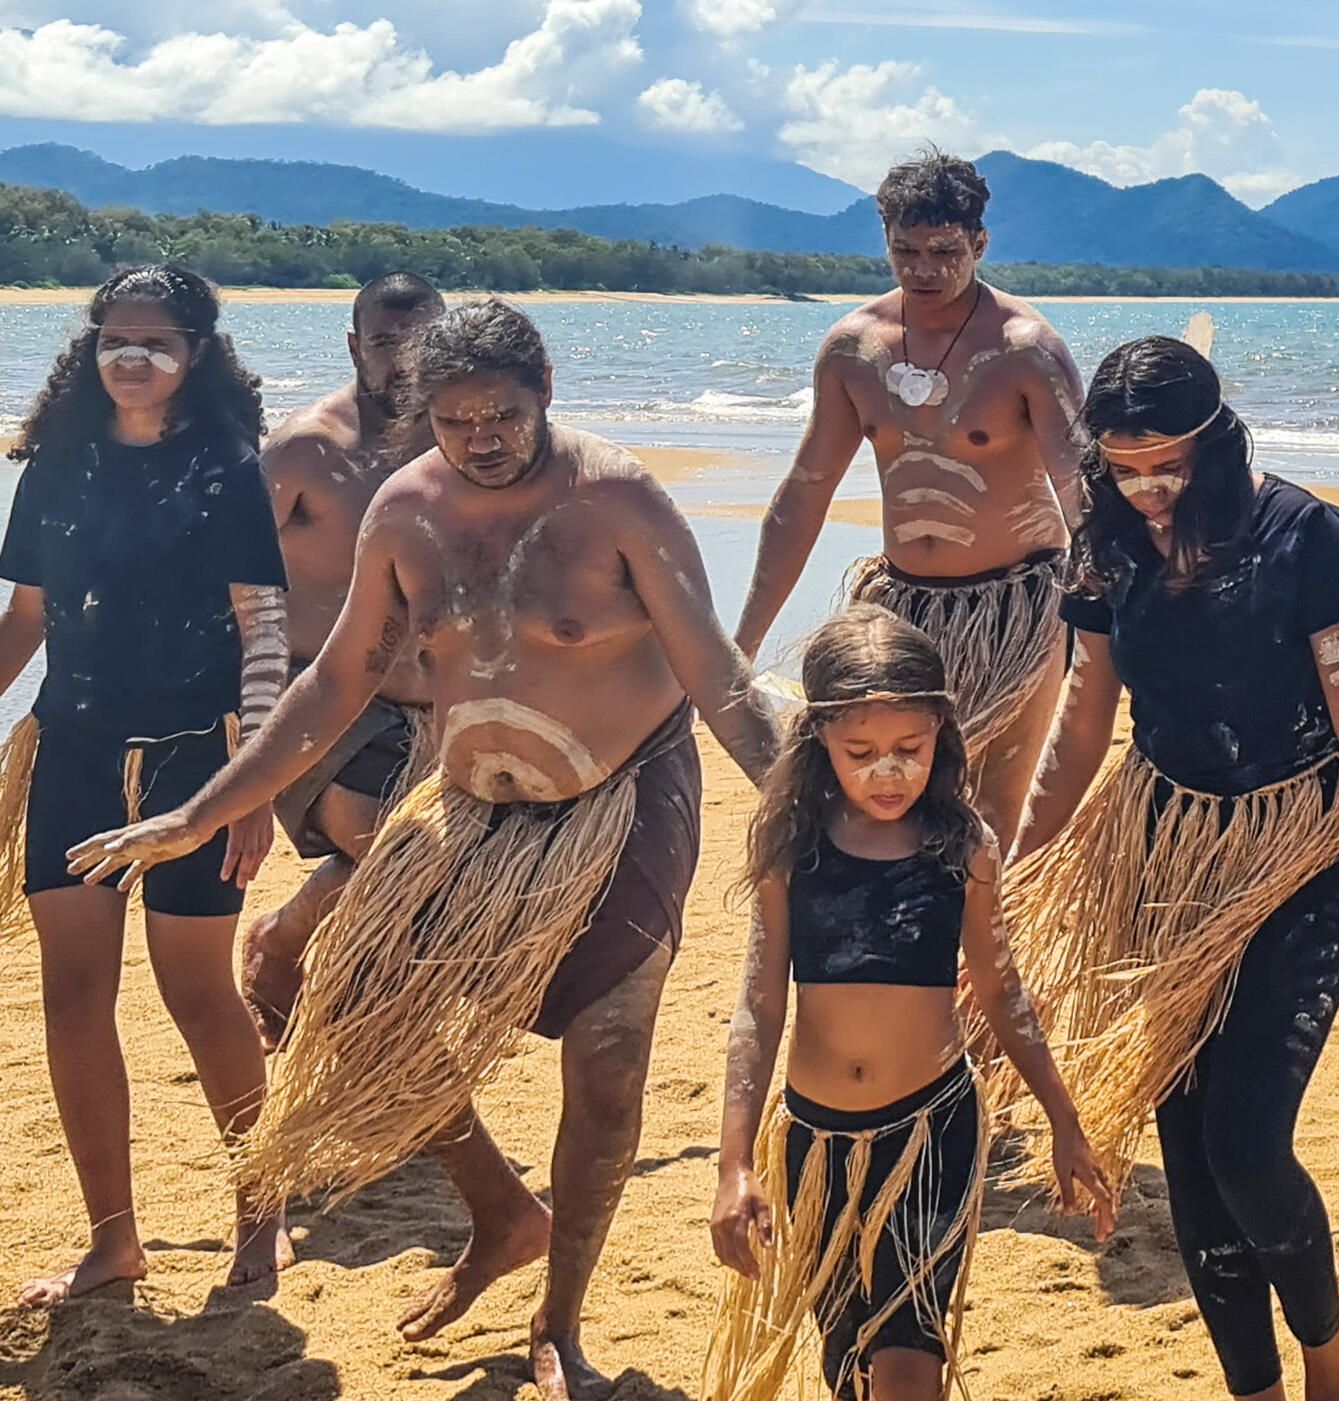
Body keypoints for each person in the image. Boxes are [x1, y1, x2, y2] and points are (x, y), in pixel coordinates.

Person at [67, 297, 782, 1401]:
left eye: (503, 413)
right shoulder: (404, 512)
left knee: (607, 1068)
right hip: (468, 813)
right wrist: (203, 811)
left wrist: (817, 813)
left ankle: (563, 1326)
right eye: (456, 419)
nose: (482, 436)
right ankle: (503, 1210)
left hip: (620, 806)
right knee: (324, 986)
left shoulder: (622, 503)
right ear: (421, 414)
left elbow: (721, 679)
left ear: (546, 393)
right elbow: (334, 683)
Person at [1007, 336, 1339, 1401]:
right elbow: (1085, 724)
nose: (1146, 489)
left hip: (1301, 855)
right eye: (1123, 468)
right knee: (1190, 1159)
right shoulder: (1106, 543)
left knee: (1247, 1147)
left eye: (1165, 464)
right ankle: (1255, 1391)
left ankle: (1332, 1364)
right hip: (1166, 859)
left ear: (1215, 444)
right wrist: (1008, 868)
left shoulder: (1302, 533)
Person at [704, 606, 1114, 1401]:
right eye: (861, 753)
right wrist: (734, 1161)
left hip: (933, 1131)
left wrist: (1063, 1119)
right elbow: (758, 1006)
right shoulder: (792, 848)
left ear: (942, 735)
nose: (888, 771)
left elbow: (1001, 990)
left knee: (909, 1358)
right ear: (819, 738)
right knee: (848, 1357)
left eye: (910, 750)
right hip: (816, 1146)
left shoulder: (963, 847)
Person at [0, 265, 289, 1302]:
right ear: (91, 347)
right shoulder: (56, 467)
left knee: (198, 995)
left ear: (196, 354)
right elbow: (26, 621)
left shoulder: (225, 467)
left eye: (157, 342)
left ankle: (262, 1215)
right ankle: (112, 1242)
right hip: (73, 756)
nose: (134, 357)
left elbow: (264, 629)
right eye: (116, 338)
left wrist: (251, 784)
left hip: (192, 771)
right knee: (73, 999)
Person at [736, 150, 1086, 849]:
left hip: (1015, 610)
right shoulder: (853, 349)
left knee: (992, 805)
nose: (924, 269)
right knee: (883, 796)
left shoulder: (1028, 350)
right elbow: (805, 495)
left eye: (944, 252)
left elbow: (1084, 497)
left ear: (979, 245)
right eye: (906, 251)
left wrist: (1114, 625)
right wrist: (739, 644)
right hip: (902, 607)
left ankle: (982, 953)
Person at [241, 270, 446, 1044]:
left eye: (422, 340)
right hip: (319, 696)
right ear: (355, 345)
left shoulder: (461, 443)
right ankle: (372, 1024)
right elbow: (230, 580)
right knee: (398, 850)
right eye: (387, 342)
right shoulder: (305, 449)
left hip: (434, 706)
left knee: (418, 861)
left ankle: (283, 937)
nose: (404, 359)